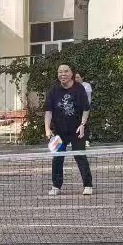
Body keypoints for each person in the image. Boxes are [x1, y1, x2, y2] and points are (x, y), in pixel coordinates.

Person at [44, 63, 93, 196]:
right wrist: (47, 128)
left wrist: (82, 124)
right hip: (59, 131)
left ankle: (88, 185)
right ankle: (56, 186)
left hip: (77, 130)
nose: (63, 74)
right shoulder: (54, 90)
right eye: (60, 72)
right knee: (57, 158)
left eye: (66, 71)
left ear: (71, 74)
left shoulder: (79, 89)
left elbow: (86, 109)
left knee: (80, 156)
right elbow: (48, 111)